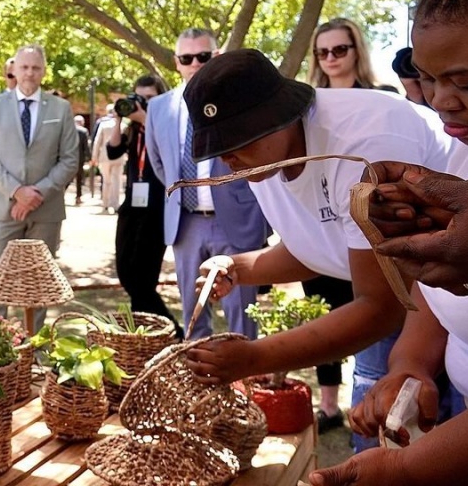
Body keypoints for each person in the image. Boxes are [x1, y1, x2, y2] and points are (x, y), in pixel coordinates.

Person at [180, 48, 452, 454]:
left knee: (420, 447)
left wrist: (253, 358)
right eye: (218, 146)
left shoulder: (361, 145)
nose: (227, 157)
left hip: (447, 295)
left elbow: (382, 305)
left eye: (237, 141)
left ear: (279, 114)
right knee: (380, 440)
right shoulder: (262, 153)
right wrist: (239, 267)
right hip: (400, 298)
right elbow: (314, 247)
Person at [308, 0, 468, 486]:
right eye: (429, 79)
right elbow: (439, 294)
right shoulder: (467, 148)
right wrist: (410, 364)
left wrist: (410, 468)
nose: (440, 102)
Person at [146, 28, 268, 340]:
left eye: (203, 56)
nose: (195, 63)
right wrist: (185, 196)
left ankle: (245, 382)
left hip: (236, 222)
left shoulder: (241, 103)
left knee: (242, 313)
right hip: (186, 224)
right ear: (177, 62)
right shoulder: (159, 107)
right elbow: (160, 164)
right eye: (187, 58)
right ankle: (199, 381)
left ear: (216, 57)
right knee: (193, 311)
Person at [304, 17, 392, 433]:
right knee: (326, 314)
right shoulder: (306, 108)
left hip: (371, 227)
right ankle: (329, 406)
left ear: (357, 50)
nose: (331, 58)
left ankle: (373, 401)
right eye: (323, 52)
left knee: (369, 318)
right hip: (322, 227)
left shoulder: (382, 99)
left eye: (340, 49)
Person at [0, 44, 79, 329]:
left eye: (35, 68)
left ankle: (35, 353)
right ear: (14, 70)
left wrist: (38, 193)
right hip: (5, 208)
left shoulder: (61, 108)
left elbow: (70, 159)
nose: (29, 73)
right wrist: (17, 192)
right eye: (24, 67)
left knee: (40, 286)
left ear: (44, 71)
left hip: (46, 210)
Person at [107, 75, 177, 318]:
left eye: (150, 98)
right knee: (125, 272)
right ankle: (159, 329)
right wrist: (119, 119)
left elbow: (168, 151)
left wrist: (147, 120)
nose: (143, 103)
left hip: (157, 208)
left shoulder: (167, 126)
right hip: (132, 207)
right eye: (139, 98)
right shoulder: (134, 130)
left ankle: (162, 331)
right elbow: (112, 150)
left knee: (143, 279)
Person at [91, 104, 125, 214]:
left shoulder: (103, 125)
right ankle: (115, 204)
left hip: (105, 157)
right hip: (119, 157)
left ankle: (105, 204)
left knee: (106, 181)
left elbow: (97, 142)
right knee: (116, 181)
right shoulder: (122, 125)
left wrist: (94, 157)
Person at [72, 115, 90, 205]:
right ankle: (78, 197)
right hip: (79, 158)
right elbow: (86, 147)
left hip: (67, 157)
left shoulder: (68, 130)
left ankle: (61, 194)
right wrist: (90, 157)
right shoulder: (83, 131)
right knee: (79, 179)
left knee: (67, 178)